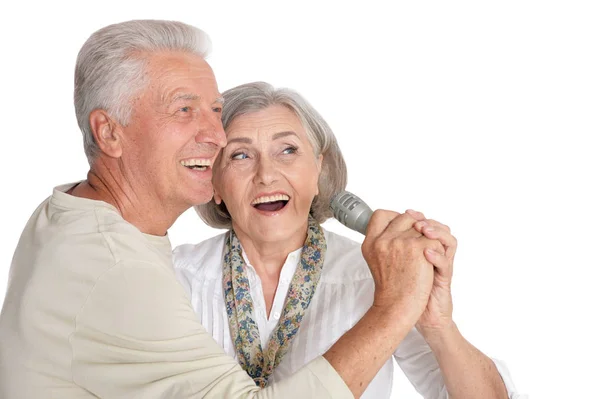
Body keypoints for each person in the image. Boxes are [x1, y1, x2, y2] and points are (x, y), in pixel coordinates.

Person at [0, 19, 458, 398]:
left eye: (214, 110)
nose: (215, 136)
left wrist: (430, 317)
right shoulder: (127, 270)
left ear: (319, 170)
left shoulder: (65, 214)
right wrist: (396, 305)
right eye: (183, 110)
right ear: (109, 133)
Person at [174, 82, 524, 398]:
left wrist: (437, 324)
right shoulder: (172, 275)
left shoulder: (377, 277)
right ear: (214, 184)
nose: (266, 175)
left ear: (319, 171)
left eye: (288, 151)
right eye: (240, 155)